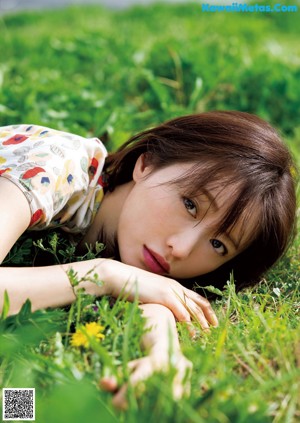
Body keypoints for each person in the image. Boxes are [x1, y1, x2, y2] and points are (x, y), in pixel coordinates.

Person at [0, 111, 297, 408]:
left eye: (218, 244)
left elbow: (152, 300)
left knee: (17, 405)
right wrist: (102, 275)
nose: (181, 249)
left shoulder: (136, 249)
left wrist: (163, 354)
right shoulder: (51, 168)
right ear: (147, 163)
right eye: (190, 204)